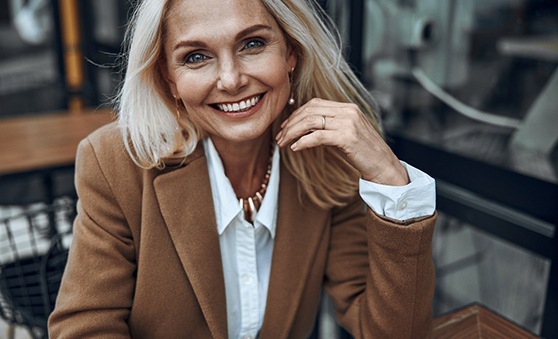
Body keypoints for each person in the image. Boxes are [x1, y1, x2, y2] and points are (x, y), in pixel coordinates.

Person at [48, 0, 437, 338]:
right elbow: (84, 325)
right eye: (196, 57)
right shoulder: (116, 161)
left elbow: (393, 333)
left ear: (291, 53)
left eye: (252, 44)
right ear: (170, 78)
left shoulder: (328, 159)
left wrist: (392, 182)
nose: (231, 79)